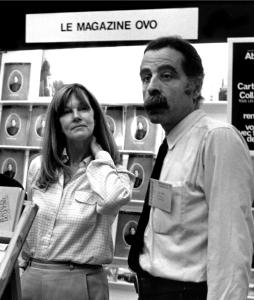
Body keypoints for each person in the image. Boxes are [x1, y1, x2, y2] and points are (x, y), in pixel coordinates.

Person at [128, 36, 254, 300]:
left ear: (195, 86)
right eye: (145, 76)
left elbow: (231, 249)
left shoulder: (217, 139)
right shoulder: (169, 145)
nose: (151, 86)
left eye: (166, 76)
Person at [20, 83, 134, 300]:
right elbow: (28, 225)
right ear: (56, 123)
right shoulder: (39, 167)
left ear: (95, 116)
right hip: (31, 277)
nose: (76, 116)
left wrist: (99, 154)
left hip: (80, 282)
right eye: (66, 111)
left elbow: (111, 201)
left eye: (83, 108)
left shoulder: (114, 173)